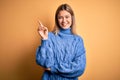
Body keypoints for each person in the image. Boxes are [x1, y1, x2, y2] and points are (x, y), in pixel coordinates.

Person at [36, 3, 86, 80]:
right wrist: (44, 39)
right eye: (60, 17)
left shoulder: (78, 40)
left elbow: (79, 68)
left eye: (67, 17)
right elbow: (44, 63)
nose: (64, 20)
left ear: (72, 18)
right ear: (57, 19)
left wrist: (54, 68)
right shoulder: (49, 36)